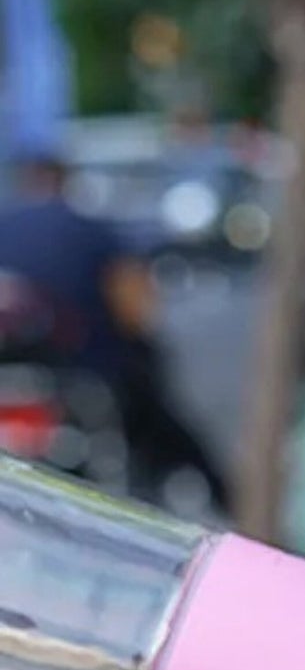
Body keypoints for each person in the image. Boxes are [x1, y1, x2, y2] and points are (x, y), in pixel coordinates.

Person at [0, 152, 230, 512]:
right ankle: (231, 507)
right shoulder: (90, 229)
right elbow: (135, 310)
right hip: (88, 374)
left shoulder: (8, 225)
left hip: (21, 375)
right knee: (166, 431)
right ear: (65, 183)